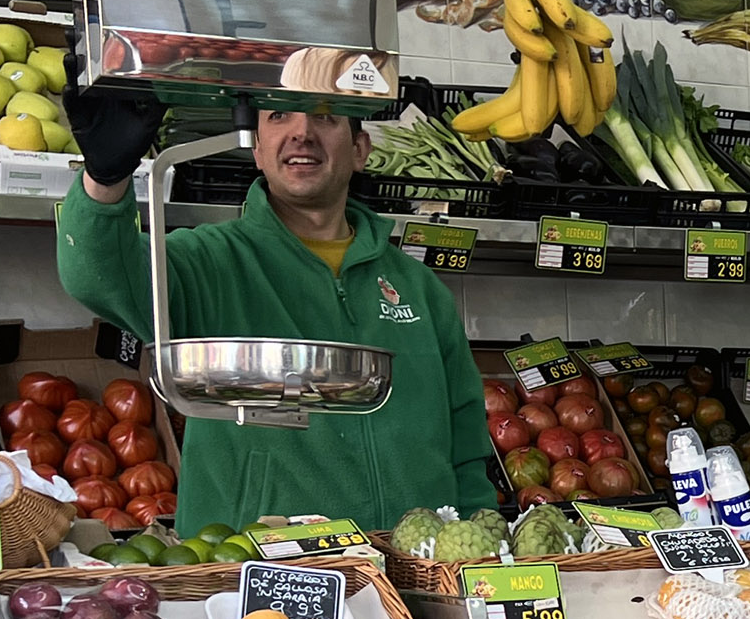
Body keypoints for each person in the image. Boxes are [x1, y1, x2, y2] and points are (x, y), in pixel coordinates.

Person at [56, 88, 496, 533]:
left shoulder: (419, 290)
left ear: (360, 150)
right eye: (280, 116)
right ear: (258, 150)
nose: (302, 132)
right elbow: (97, 276)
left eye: (325, 118)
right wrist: (104, 179)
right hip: (259, 570)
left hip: (411, 566)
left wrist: (477, 539)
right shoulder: (209, 262)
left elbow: (465, 443)